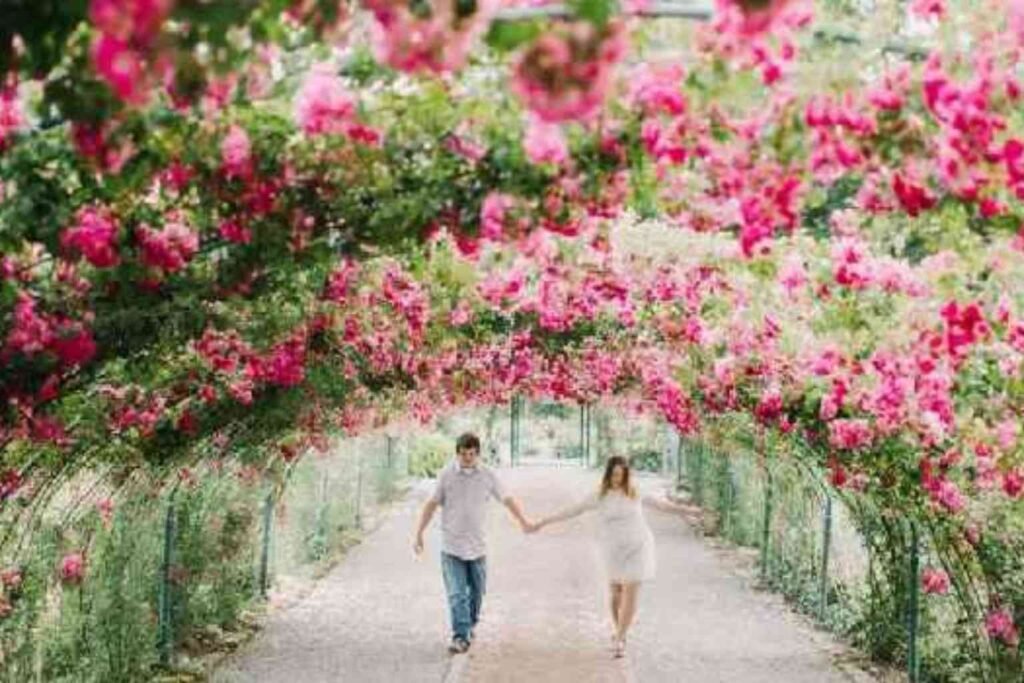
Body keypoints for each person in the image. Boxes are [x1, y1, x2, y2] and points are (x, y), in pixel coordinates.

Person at [525, 455, 698, 658]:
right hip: (613, 550)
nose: (618, 479)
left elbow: (662, 505)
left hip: (638, 546)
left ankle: (620, 638)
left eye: (622, 475)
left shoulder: (635, 491)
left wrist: (687, 510)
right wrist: (543, 522)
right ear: (609, 474)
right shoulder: (600, 495)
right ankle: (619, 632)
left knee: (630, 592)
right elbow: (573, 510)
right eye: (615, 475)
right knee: (616, 595)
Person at [413, 432, 532, 654]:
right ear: (457, 453)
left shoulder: (488, 475)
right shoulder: (446, 475)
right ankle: (460, 636)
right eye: (464, 454)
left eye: (472, 454)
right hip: (452, 546)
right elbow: (431, 504)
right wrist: (419, 533)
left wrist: (523, 521)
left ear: (477, 454)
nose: (468, 458)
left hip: (478, 547)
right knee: (457, 594)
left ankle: (469, 626)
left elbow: (507, 499)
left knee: (477, 593)